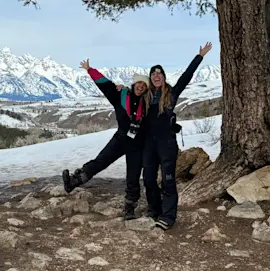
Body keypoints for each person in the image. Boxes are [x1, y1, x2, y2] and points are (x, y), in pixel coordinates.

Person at [61, 59, 149, 220]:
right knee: (99, 162)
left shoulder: (147, 102)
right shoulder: (120, 95)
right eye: (139, 84)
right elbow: (105, 84)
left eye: (144, 86)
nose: (140, 87)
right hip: (121, 139)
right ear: (134, 84)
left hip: (137, 144)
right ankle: (73, 182)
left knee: (133, 177)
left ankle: (129, 209)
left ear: (145, 89)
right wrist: (89, 69)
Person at [143, 42, 213, 230]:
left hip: (166, 143)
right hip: (149, 144)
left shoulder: (171, 94)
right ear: (150, 79)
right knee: (148, 179)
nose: (157, 76)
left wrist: (200, 56)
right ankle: (155, 210)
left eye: (160, 74)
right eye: (153, 74)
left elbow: (186, 76)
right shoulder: (145, 96)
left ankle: (168, 216)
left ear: (164, 77)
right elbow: (128, 95)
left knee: (167, 180)